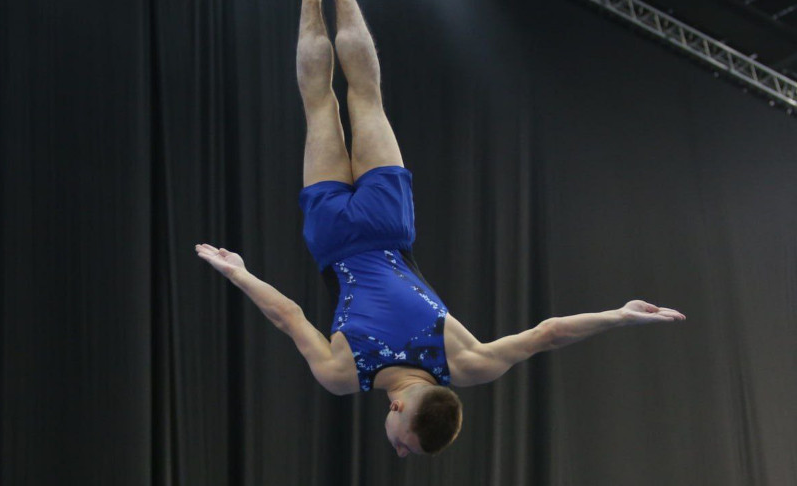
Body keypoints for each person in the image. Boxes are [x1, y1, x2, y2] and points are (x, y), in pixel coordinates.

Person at [195, 0, 687, 457]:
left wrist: (620, 316)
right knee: (319, 104)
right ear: (396, 408)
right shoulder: (342, 375)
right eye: (405, 447)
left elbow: (548, 333)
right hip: (333, 238)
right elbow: (287, 315)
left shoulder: (467, 363)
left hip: (388, 224)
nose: (399, 452)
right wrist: (239, 273)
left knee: (366, 97)